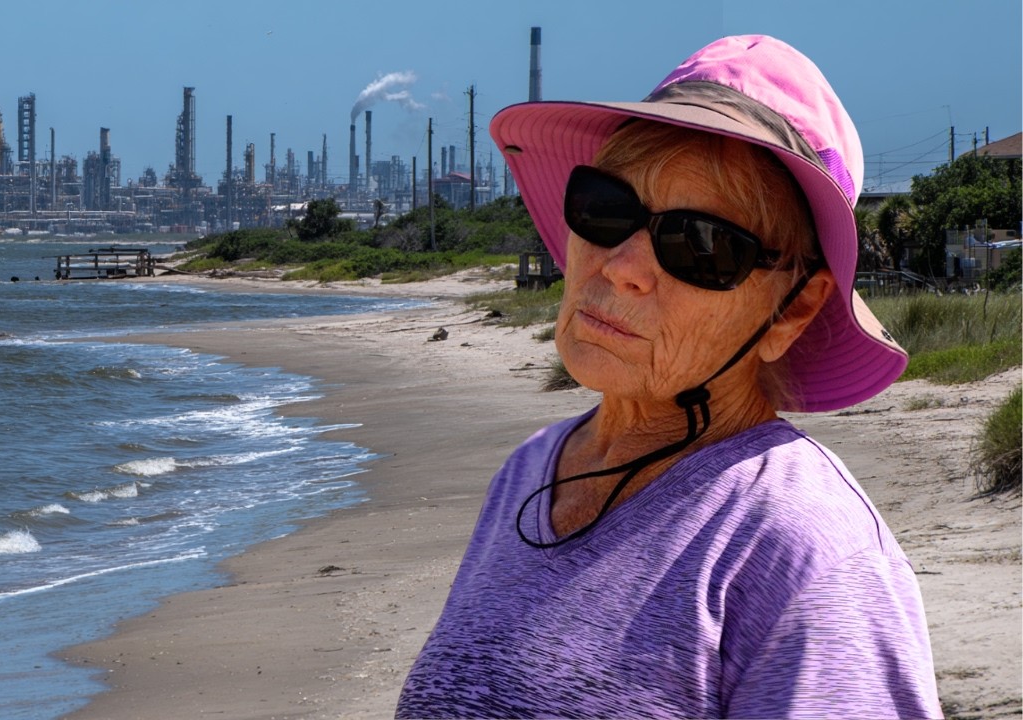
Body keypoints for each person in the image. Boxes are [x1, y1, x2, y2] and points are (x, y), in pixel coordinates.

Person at [396, 35, 941, 719]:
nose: (621, 264)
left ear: (792, 309)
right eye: (606, 208)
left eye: (700, 244)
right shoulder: (529, 471)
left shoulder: (800, 549)